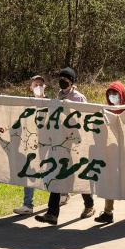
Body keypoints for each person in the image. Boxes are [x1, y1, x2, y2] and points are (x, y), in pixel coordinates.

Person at [35, 67, 96, 225]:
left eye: (66, 78)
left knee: (77, 174)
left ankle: (89, 205)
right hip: (60, 142)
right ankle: (52, 214)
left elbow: (84, 119)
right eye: (61, 77)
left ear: (72, 81)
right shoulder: (58, 95)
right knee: (57, 174)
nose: (62, 81)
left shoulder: (79, 97)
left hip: (75, 143)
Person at [95, 81, 125, 223]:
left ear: (121, 94)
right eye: (110, 93)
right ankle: (108, 212)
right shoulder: (106, 110)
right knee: (110, 179)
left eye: (115, 93)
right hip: (112, 149)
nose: (112, 96)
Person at [14, 74, 47, 215]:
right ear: (31, 87)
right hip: (31, 144)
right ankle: (28, 204)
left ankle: (62, 194)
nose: (38, 87)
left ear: (44, 87)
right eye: (35, 85)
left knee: (51, 171)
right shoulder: (26, 103)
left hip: (48, 143)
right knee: (29, 171)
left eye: (40, 84)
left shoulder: (50, 102)